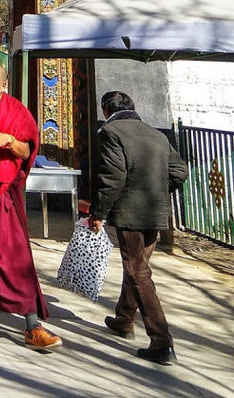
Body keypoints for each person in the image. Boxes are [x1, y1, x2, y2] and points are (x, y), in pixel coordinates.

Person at [0, 63, 62, 350]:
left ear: (3, 85)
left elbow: (27, 150)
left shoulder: (17, 111)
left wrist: (8, 140)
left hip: (5, 195)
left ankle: (32, 326)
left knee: (17, 258)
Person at [88, 91, 189, 366]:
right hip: (155, 211)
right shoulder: (156, 134)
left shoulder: (112, 132)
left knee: (139, 273)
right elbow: (180, 171)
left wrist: (98, 213)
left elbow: (113, 176)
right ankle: (124, 318)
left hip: (131, 213)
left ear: (106, 110)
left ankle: (161, 341)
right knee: (137, 267)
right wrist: (156, 189)